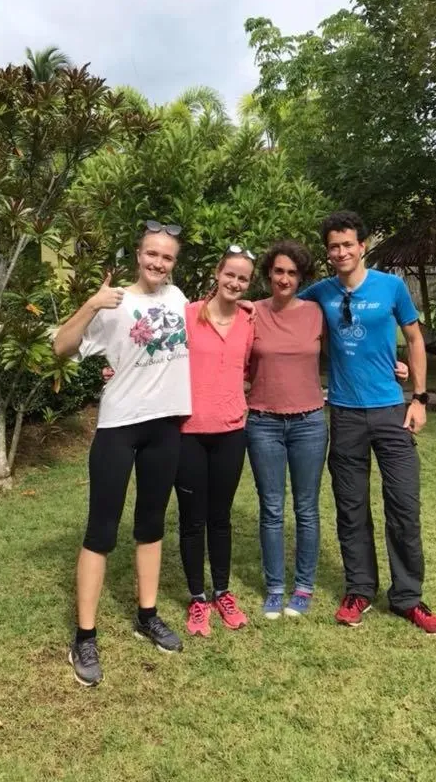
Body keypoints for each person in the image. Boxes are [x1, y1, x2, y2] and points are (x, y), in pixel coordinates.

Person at [54, 220, 190, 687]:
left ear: (174, 263)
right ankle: (84, 636)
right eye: (152, 254)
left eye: (167, 257)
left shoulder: (179, 300)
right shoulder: (114, 303)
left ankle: (146, 615)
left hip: (166, 426)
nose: (158, 262)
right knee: (101, 530)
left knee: (151, 525)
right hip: (118, 428)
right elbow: (59, 347)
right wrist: (91, 302)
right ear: (138, 254)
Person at [298, 210, 436, 635]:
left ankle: (407, 598)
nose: (341, 251)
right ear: (328, 252)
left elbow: (415, 340)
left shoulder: (391, 287)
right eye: (333, 246)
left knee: (403, 506)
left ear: (362, 245)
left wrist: (418, 398)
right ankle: (359, 589)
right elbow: (281, 303)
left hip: (390, 412)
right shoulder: (321, 293)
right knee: (351, 506)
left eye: (348, 244)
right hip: (344, 414)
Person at [245, 240, 409, 621]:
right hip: (263, 422)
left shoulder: (318, 312)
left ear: (301, 277)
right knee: (271, 508)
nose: (284, 278)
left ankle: (303, 585)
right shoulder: (251, 313)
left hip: (309, 422)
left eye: (292, 272)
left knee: (306, 508)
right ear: (268, 273)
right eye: (278, 271)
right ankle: (274, 587)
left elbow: (358, 341)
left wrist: (395, 365)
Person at [178, 246, 256, 637]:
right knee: (192, 520)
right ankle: (196, 597)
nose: (235, 283)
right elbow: (155, 352)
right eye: (230, 275)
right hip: (188, 433)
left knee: (220, 517)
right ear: (217, 273)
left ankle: (222, 591)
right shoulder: (188, 315)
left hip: (230, 431)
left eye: (243, 279)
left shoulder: (249, 320)